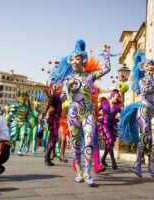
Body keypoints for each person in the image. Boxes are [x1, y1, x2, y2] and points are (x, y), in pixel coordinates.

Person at [60, 39, 111, 186]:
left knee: (89, 141)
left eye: (78, 58)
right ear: (70, 62)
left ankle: (88, 171)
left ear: (83, 60)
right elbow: (64, 97)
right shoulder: (68, 79)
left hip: (88, 114)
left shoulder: (90, 76)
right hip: (73, 114)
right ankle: (79, 171)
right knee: (75, 144)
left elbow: (107, 69)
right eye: (73, 59)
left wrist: (106, 54)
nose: (75, 61)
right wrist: (69, 88)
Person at [119, 51, 154, 178]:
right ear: (143, 69)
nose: (150, 66)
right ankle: (138, 164)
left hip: (151, 112)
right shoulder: (142, 80)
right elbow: (146, 90)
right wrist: (150, 78)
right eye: (147, 65)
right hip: (143, 110)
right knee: (147, 138)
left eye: (151, 65)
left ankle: (150, 165)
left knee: (150, 141)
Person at [97, 89, 122, 169]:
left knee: (109, 144)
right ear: (112, 96)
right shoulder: (104, 103)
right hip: (104, 125)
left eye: (119, 97)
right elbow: (95, 111)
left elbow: (124, 114)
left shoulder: (118, 107)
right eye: (117, 96)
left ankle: (103, 159)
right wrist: (96, 118)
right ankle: (113, 161)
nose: (118, 98)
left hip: (112, 126)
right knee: (110, 141)